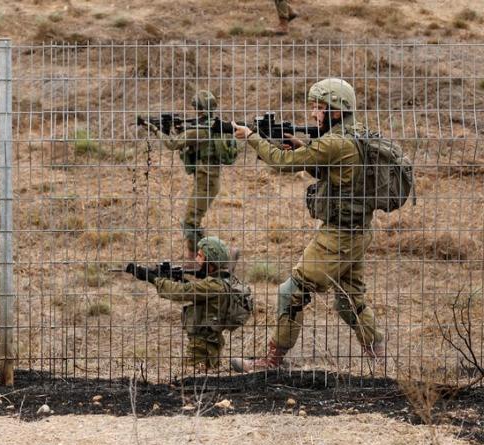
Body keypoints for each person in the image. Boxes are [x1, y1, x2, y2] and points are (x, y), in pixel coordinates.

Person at [229, 78, 385, 372]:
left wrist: (250, 136)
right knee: (350, 301)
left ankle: (272, 362)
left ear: (336, 110)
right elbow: (334, 170)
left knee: (292, 291)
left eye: (319, 107)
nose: (314, 114)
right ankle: (380, 361)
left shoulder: (334, 142)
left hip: (339, 236)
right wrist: (301, 146)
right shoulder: (355, 133)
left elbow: (281, 162)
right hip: (358, 231)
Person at [140, 90, 238, 267]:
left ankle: (206, 257)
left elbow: (172, 144)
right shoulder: (213, 126)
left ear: (199, 108)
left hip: (205, 182)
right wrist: (179, 130)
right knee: (193, 221)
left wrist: (154, 129)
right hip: (208, 180)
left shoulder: (199, 131)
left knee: (190, 221)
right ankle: (202, 256)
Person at [125, 237, 252, 371]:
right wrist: (183, 280)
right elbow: (199, 294)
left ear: (211, 261)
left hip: (201, 345)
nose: (196, 259)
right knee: (208, 376)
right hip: (210, 340)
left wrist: (153, 278)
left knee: (193, 378)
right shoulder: (224, 280)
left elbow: (179, 292)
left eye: (200, 256)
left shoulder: (213, 285)